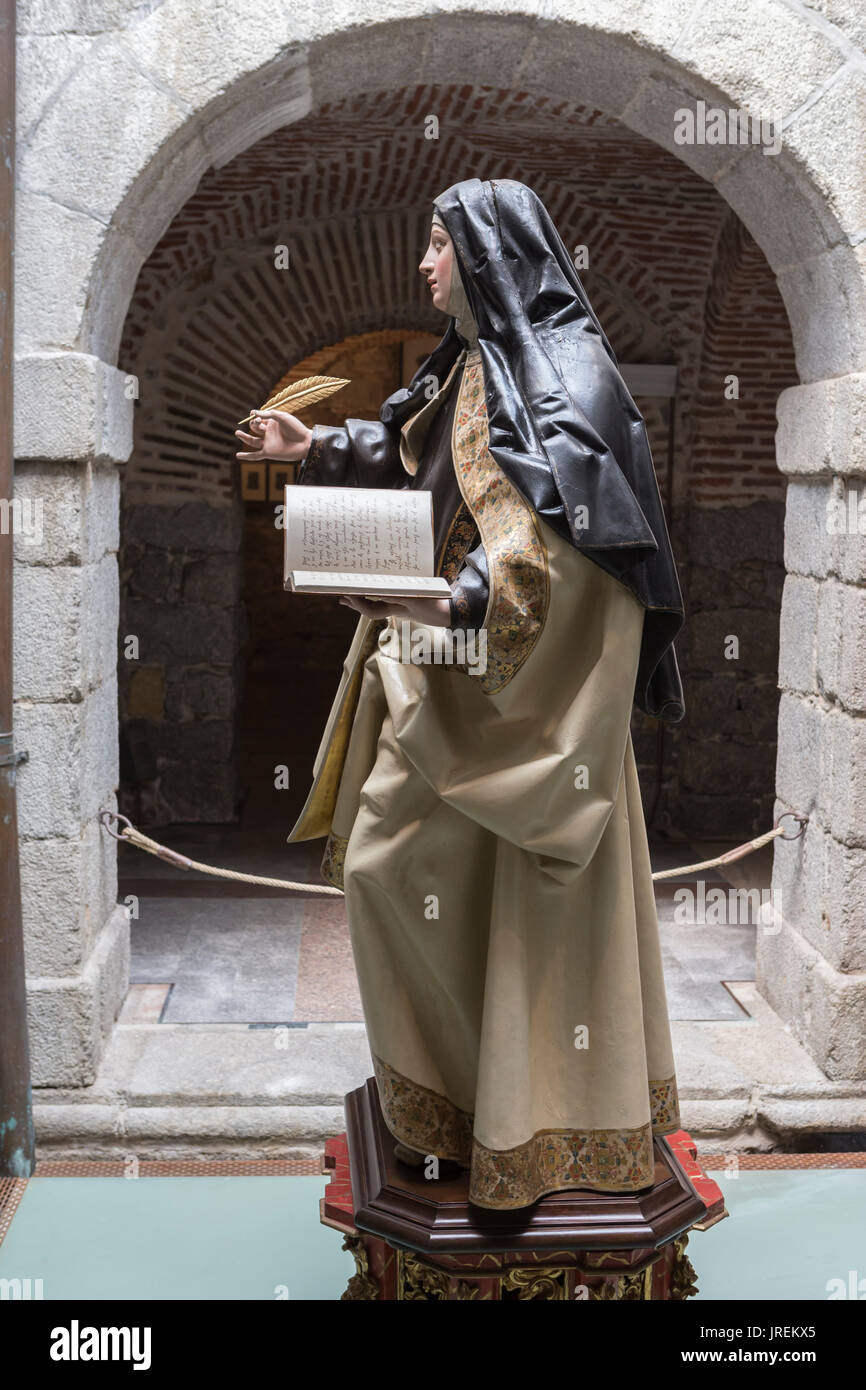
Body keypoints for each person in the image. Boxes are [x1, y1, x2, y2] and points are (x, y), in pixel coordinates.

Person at [235, 178, 686, 1211]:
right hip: (448, 673)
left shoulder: (567, 375)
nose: (423, 266)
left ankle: (524, 1122)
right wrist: (314, 448)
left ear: (485, 255)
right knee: (387, 868)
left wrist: (462, 599)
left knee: (417, 868)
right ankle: (453, 1100)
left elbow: (578, 550)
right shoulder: (475, 365)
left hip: (526, 691)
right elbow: (425, 461)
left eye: (437, 246)